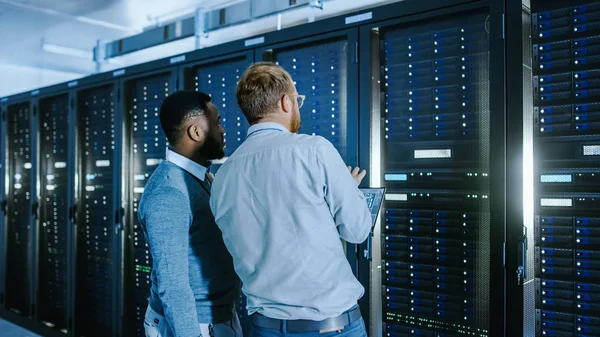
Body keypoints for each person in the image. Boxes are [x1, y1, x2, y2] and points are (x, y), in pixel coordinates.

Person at [209, 62, 372, 337]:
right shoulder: (314, 150)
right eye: (298, 100)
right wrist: (349, 191)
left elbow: (274, 231)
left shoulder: (222, 177)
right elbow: (357, 230)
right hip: (331, 328)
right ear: (286, 102)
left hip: (265, 328)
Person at [138, 90, 242, 337]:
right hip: (195, 324)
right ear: (195, 132)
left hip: (216, 317)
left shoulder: (198, 177)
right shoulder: (168, 192)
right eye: (217, 123)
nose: (223, 130)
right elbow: (172, 285)